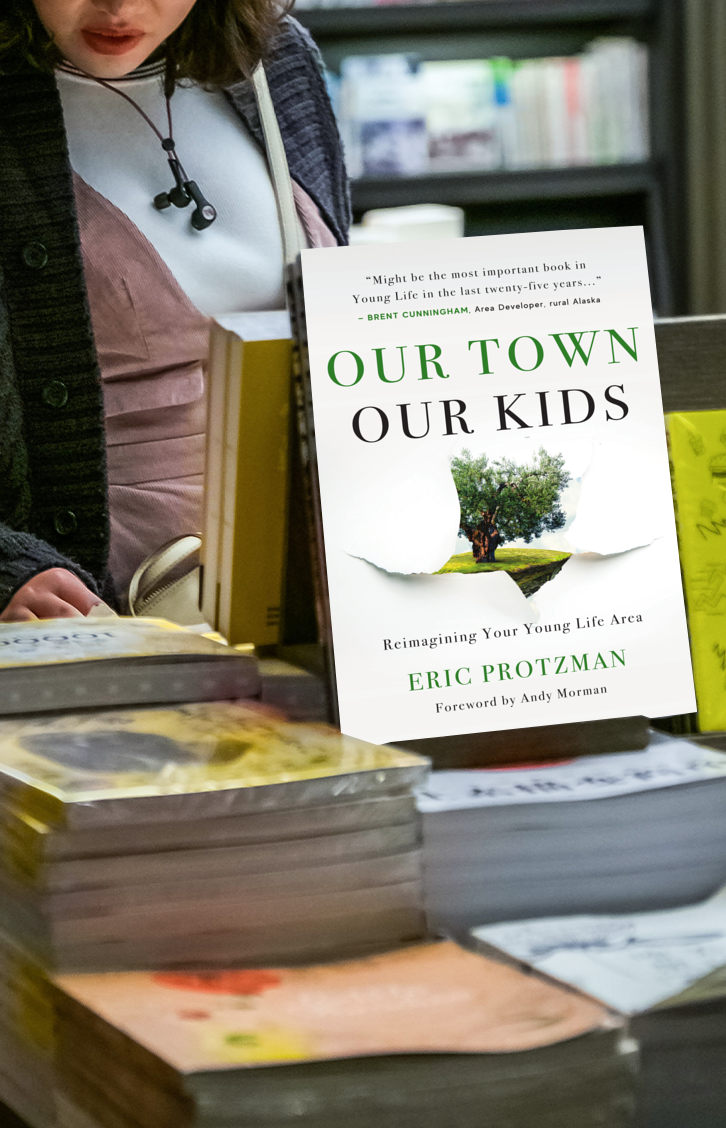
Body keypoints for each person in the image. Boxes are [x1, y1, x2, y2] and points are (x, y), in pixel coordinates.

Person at [0, 0, 349, 621]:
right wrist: (5, 565)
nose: (119, 7)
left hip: (327, 579)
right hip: (108, 606)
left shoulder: (277, 61)